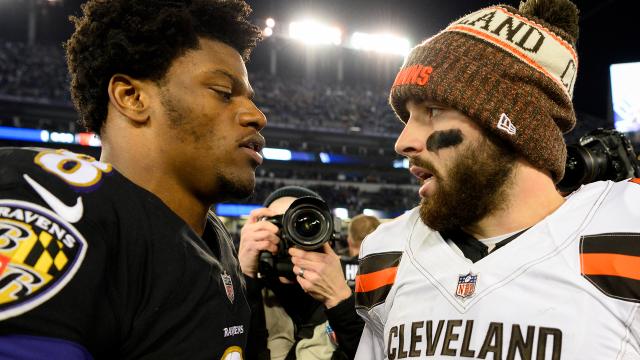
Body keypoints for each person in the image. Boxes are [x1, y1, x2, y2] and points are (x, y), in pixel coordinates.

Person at [355, 0, 640, 359]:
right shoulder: (390, 253)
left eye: (433, 111)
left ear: (511, 126)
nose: (403, 142)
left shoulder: (625, 235)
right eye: (407, 117)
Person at [0, 0, 265, 358]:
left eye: (249, 98)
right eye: (223, 93)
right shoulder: (62, 208)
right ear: (132, 97)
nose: (256, 115)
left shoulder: (215, 243)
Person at [239, 186, 364, 359]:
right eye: (280, 225)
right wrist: (244, 276)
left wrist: (340, 301)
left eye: (301, 225)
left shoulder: (355, 302)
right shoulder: (246, 295)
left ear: (326, 237)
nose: (289, 238)